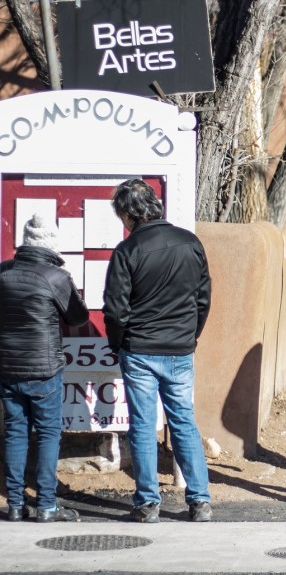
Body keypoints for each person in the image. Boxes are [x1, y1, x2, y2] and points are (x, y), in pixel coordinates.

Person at [102, 179, 212, 523]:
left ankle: (148, 503)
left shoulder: (127, 251)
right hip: (180, 348)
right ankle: (200, 501)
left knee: (143, 425)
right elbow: (203, 299)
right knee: (184, 423)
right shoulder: (190, 242)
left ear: (127, 214)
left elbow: (115, 309)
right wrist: (190, 336)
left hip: (139, 350)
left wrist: (118, 343)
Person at [0, 214, 89, 522]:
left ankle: (14, 504)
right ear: (51, 243)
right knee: (49, 433)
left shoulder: (2, 273)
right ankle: (47, 505)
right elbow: (78, 318)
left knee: (15, 432)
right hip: (45, 369)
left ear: (25, 242)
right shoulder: (56, 277)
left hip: (8, 367)